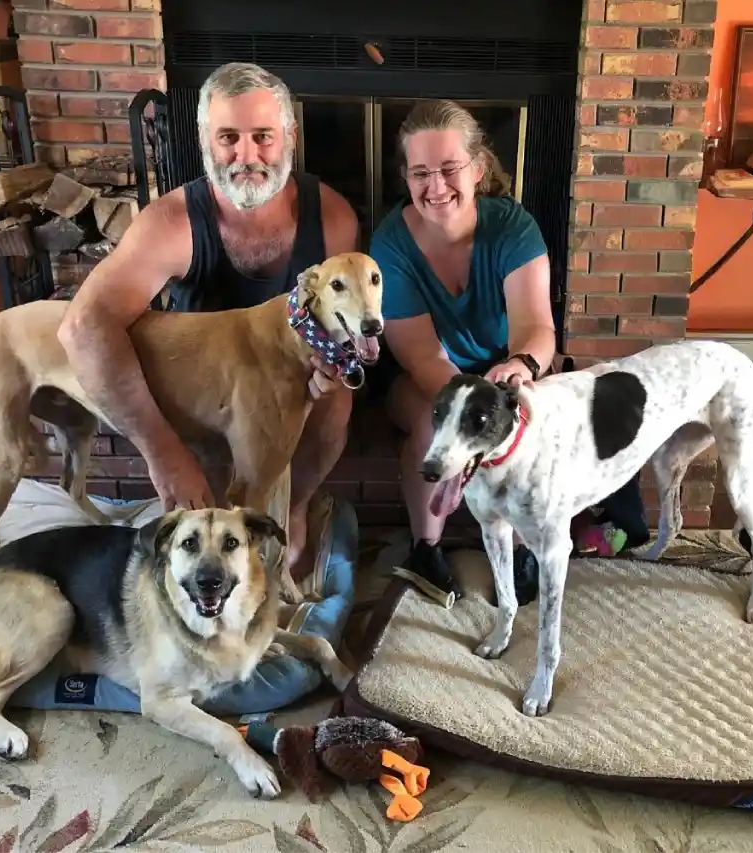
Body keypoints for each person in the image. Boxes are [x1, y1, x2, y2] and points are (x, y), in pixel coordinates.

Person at [58, 62, 360, 578]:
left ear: (289, 135)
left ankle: (296, 505)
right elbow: (83, 326)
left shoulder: (332, 216)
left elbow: (345, 323)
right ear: (204, 140)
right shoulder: (169, 223)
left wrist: (331, 363)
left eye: (263, 136)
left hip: (288, 382)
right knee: (215, 550)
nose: (246, 156)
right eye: (229, 138)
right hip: (206, 392)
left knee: (338, 402)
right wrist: (164, 452)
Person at [368, 99, 557, 599]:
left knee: (519, 428)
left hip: (502, 370)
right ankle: (425, 548)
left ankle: (518, 550)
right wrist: (475, 410)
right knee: (437, 421)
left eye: (450, 169)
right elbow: (423, 358)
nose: (436, 187)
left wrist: (519, 366)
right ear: (406, 178)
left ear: (476, 168)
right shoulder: (390, 244)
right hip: (423, 376)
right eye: (420, 173)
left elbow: (537, 329)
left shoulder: (514, 228)